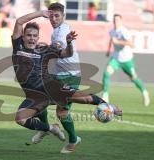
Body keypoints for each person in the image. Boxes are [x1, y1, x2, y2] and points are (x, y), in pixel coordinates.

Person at [12, 10, 122, 152]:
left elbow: (67, 54)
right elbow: (19, 21)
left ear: (38, 37)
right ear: (23, 36)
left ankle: (109, 107)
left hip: (51, 88)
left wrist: (69, 43)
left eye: (34, 36)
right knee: (20, 119)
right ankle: (51, 128)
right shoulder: (18, 46)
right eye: (28, 35)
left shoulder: (43, 49)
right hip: (35, 96)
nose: (31, 38)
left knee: (83, 98)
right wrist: (40, 13)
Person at [31, 2, 82, 154]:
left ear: (63, 16)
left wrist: (42, 48)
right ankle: (46, 128)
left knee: (62, 113)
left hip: (70, 77)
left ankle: (74, 140)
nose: (53, 19)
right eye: (51, 16)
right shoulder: (56, 31)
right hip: (58, 75)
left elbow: (59, 46)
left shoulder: (63, 30)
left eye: (57, 16)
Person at [102, 14, 150, 106]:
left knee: (134, 78)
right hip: (116, 59)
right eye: (114, 20)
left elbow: (131, 44)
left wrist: (118, 42)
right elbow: (111, 40)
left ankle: (144, 92)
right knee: (106, 73)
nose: (116, 22)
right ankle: (105, 95)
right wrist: (108, 50)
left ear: (121, 21)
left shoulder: (124, 31)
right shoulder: (112, 31)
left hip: (127, 59)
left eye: (117, 20)